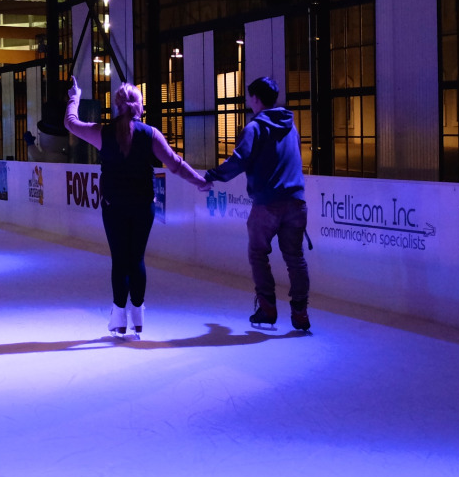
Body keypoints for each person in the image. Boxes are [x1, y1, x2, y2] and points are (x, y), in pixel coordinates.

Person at [66, 76, 208, 340]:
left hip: (113, 206)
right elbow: (175, 164)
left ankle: (119, 318)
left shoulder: (103, 133)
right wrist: (199, 181)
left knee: (120, 260)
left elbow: (71, 123)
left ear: (117, 106)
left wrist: (75, 96)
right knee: (137, 259)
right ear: (138, 106)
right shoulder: (151, 134)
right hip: (143, 207)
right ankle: (138, 317)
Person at [199, 76, 311, 331]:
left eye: (250, 98)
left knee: (258, 253)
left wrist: (212, 175)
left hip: (267, 204)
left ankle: (268, 307)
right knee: (295, 257)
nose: (250, 102)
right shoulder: (292, 127)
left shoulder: (254, 128)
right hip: (296, 202)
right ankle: (301, 313)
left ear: (256, 99)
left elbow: (240, 160)